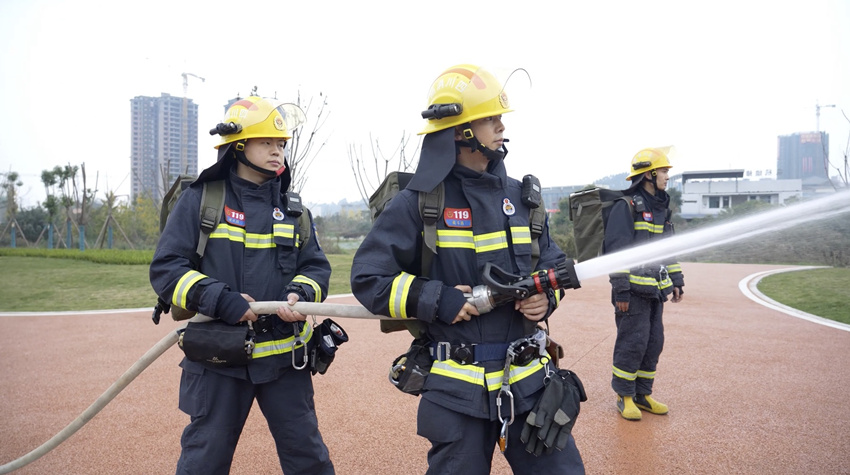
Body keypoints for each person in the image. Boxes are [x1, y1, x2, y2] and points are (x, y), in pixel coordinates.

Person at [350, 64, 585, 474]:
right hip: (457, 393)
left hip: (529, 384)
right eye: (490, 118)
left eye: (500, 118)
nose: (500, 127)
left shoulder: (522, 199)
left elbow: (552, 263)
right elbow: (368, 278)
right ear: (461, 131)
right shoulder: (418, 204)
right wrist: (436, 298)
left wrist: (545, 298)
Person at [150, 96, 335, 474]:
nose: (276, 151)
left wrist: (300, 294)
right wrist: (221, 300)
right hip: (219, 360)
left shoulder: (294, 210)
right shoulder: (201, 201)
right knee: (204, 461)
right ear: (238, 146)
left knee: (309, 459)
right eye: (266, 142)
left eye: (281, 144)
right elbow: (167, 270)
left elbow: (316, 268)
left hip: (285, 360)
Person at [603, 146, 685, 421]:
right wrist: (621, 289)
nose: (667, 177)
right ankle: (624, 396)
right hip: (632, 292)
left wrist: (676, 279)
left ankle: (642, 394)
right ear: (648, 175)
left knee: (653, 342)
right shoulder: (625, 207)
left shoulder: (662, 208)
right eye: (663, 171)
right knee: (632, 343)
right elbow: (616, 251)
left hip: (655, 291)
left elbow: (666, 249)